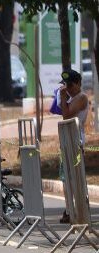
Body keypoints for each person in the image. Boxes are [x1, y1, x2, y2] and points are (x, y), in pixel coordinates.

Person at [56, 69, 89, 223]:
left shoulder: (81, 98)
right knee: (66, 178)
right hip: (66, 141)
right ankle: (69, 209)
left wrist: (63, 98)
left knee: (75, 177)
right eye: (65, 86)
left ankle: (80, 209)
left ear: (78, 83)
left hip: (76, 142)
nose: (68, 89)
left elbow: (67, 115)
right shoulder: (70, 98)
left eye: (70, 85)